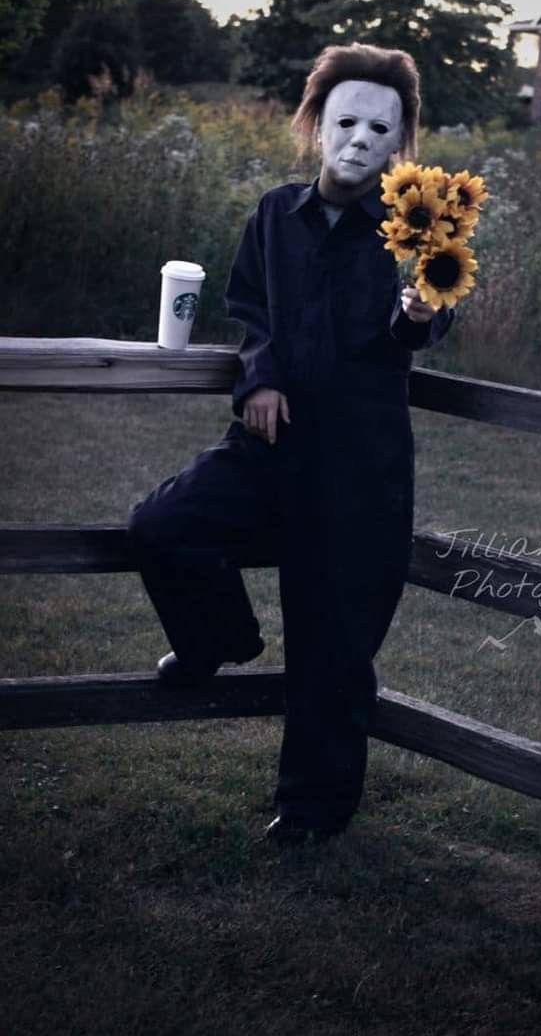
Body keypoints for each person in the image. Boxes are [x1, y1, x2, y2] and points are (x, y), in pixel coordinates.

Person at [127, 43, 455, 846]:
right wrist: (261, 376)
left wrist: (417, 314)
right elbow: (252, 306)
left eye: (380, 128)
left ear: (400, 138)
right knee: (163, 525)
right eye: (343, 121)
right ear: (314, 125)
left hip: (360, 467)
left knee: (333, 644)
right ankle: (219, 641)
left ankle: (312, 815)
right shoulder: (276, 213)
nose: (358, 140)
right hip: (271, 449)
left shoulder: (418, 222)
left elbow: (432, 308)